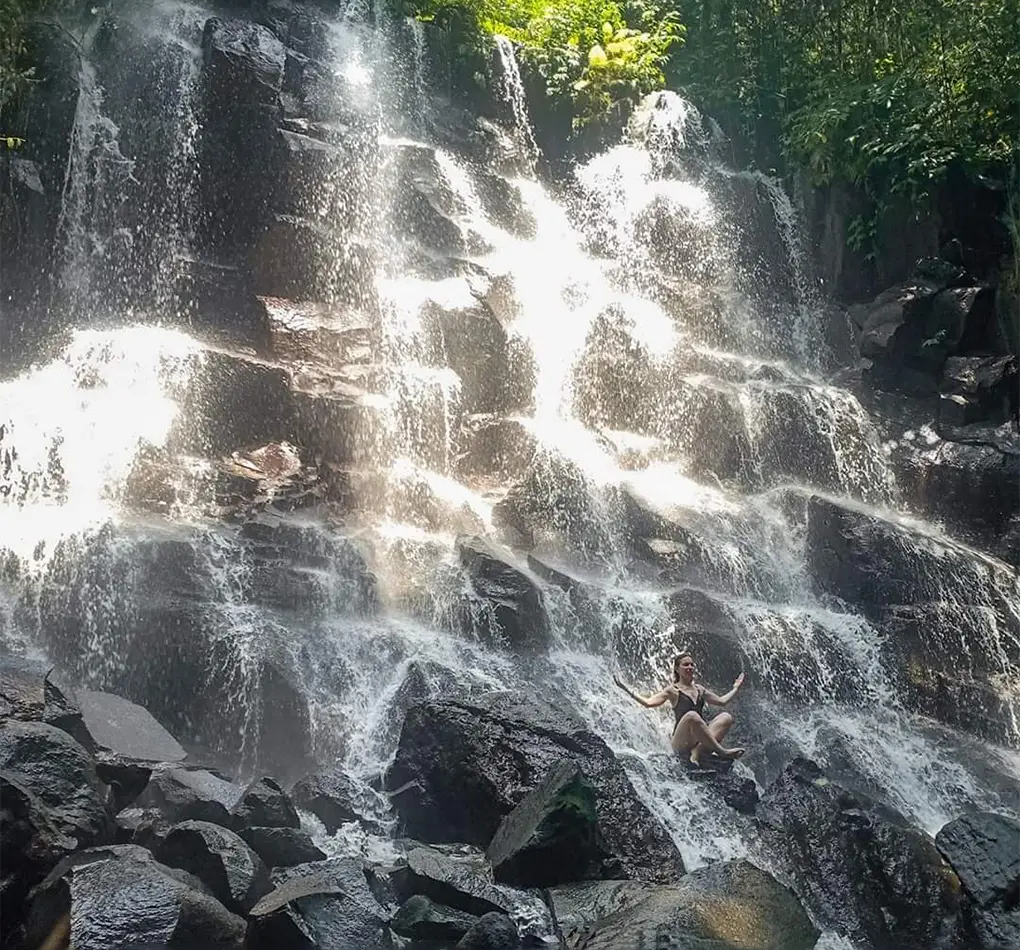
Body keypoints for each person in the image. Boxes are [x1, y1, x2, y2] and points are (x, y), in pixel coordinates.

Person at [613, 652, 746, 765]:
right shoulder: (673, 690)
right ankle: (722, 751)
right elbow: (649, 703)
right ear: (677, 669)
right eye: (685, 664)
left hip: (699, 739)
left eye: (691, 664)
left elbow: (722, 701)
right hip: (681, 741)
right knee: (692, 715)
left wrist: (736, 688)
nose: (690, 667)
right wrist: (626, 688)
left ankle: (697, 752)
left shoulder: (700, 689)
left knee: (726, 717)